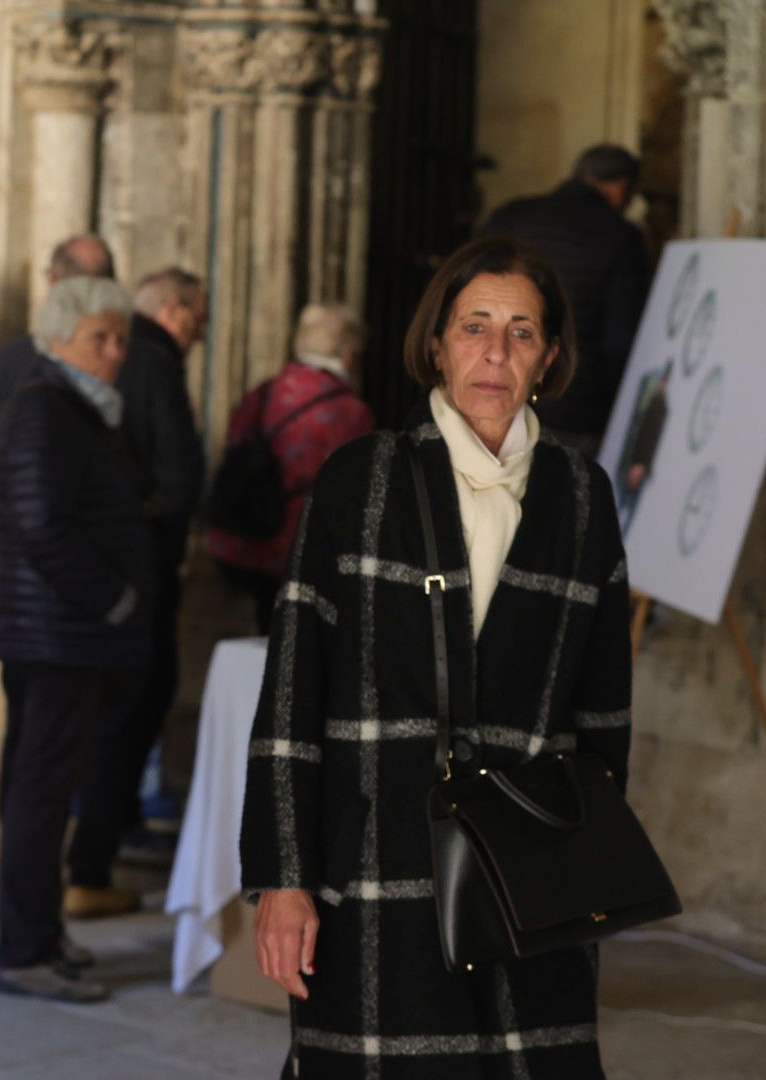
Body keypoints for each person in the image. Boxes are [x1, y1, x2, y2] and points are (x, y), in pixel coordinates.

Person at [241, 235, 631, 1078]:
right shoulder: (362, 479)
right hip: (381, 865)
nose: (495, 351)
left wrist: (586, 874)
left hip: (532, 868)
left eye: (522, 331)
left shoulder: (581, 493)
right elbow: (291, 697)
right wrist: (284, 877)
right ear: (437, 343)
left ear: (550, 356)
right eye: (474, 326)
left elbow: (605, 715)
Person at [0, 276, 152, 1004]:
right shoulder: (43, 410)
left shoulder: (79, 407)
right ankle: (23, 951)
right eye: (99, 338)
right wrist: (113, 598)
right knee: (39, 795)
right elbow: (39, 525)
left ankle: (42, 935)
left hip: (68, 634)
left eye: (121, 339)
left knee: (48, 792)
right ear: (58, 340)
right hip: (55, 634)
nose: (115, 352)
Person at [64, 267, 206, 918]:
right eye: (198, 320)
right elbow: (178, 475)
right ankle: (89, 866)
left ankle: (98, 846)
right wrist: (151, 523)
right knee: (127, 710)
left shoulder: (53, 378)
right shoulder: (155, 359)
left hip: (104, 566)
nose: (114, 357)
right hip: (134, 568)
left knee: (107, 715)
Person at [206, 303, 376, 633]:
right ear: (349, 353)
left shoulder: (263, 392)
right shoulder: (350, 412)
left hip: (236, 542)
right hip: (295, 556)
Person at [481, 144, 649, 457]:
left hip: (494, 398)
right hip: (576, 409)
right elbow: (620, 341)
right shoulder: (621, 237)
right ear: (621, 188)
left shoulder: (509, 216)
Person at [0, 234, 115, 515]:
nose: (112, 353)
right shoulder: (14, 371)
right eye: (98, 340)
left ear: (53, 281)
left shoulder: (7, 364)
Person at [614, 359, 671, 533]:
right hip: (635, 461)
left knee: (627, 503)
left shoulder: (660, 406)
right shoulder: (653, 399)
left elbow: (651, 437)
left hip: (638, 461)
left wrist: (641, 464)